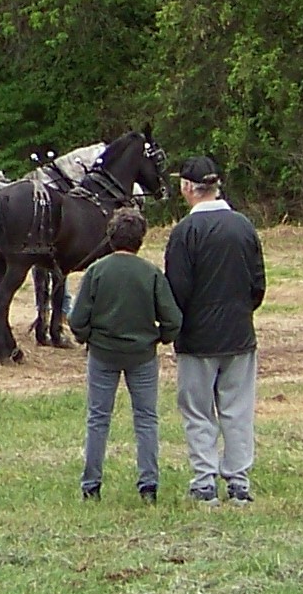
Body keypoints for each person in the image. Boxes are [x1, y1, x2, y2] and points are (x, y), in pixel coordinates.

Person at [162, 155, 265, 504]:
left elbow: (177, 290)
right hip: (239, 334)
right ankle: (239, 482)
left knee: (197, 410)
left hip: (197, 338)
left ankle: (204, 480)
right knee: (237, 409)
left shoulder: (184, 233)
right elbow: (257, 286)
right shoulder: (244, 227)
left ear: (188, 188)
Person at [69, 207, 179, 503]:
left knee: (98, 418)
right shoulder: (151, 273)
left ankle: (91, 485)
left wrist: (88, 338)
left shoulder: (97, 271)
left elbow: (77, 319)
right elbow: (173, 319)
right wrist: (159, 338)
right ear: (141, 239)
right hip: (142, 354)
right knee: (146, 419)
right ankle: (148, 486)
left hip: (103, 353)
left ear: (110, 237)